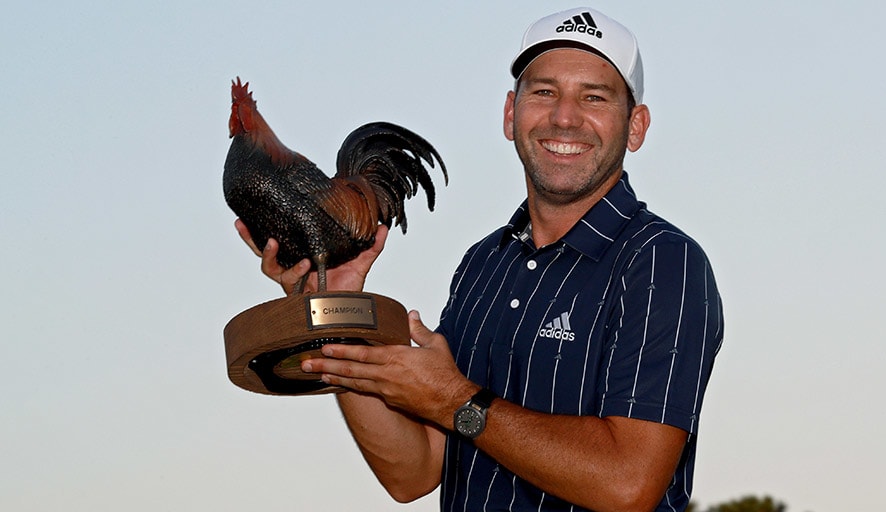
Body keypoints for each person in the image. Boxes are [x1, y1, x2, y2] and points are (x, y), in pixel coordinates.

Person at [236, 7, 723, 512]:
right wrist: (336, 311)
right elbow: (415, 471)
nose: (564, 117)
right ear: (511, 114)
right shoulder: (482, 264)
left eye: (594, 97)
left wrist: (456, 400)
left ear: (636, 127)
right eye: (544, 92)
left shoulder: (663, 262)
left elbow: (630, 484)